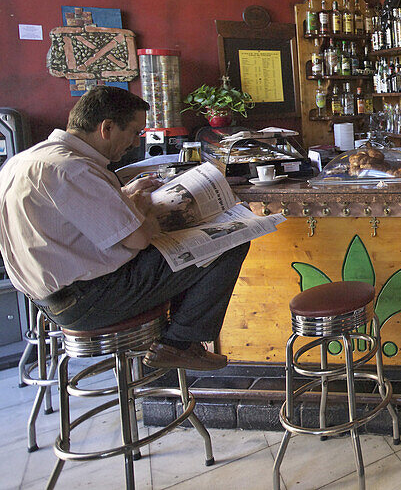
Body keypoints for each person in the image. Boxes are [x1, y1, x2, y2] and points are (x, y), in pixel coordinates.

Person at [0, 86, 249, 372]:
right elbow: (139, 239)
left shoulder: (26, 160)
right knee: (228, 242)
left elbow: (74, 221)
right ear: (106, 128)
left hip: (47, 303)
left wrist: (126, 197)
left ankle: (176, 339)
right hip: (88, 300)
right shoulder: (73, 169)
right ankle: (179, 343)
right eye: (133, 132)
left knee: (190, 246)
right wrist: (141, 207)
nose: (134, 142)